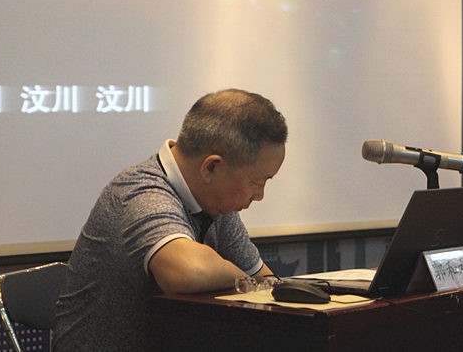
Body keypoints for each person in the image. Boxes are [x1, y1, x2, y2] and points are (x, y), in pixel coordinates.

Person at [53, 88, 287, 351]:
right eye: (257, 182)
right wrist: (245, 281)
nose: (259, 195)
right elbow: (189, 272)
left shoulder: (216, 205)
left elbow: (267, 285)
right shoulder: (141, 192)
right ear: (211, 167)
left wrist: (251, 281)